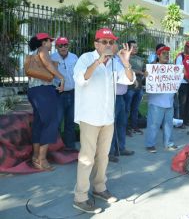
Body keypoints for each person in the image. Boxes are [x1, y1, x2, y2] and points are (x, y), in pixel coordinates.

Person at [72, 28, 135, 214]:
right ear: (96, 44)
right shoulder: (84, 58)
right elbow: (80, 78)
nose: (109, 45)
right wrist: (98, 62)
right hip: (89, 117)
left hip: (107, 118)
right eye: (104, 42)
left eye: (111, 42)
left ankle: (99, 188)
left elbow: (129, 80)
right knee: (86, 158)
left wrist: (126, 63)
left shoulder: (116, 62)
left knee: (103, 156)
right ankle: (80, 197)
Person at [27, 33, 65, 171]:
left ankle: (36, 157)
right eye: (50, 41)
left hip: (34, 91)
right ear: (44, 42)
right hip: (43, 91)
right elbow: (48, 64)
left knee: (39, 123)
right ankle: (42, 159)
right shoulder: (43, 50)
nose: (51, 44)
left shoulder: (37, 51)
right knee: (51, 123)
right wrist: (61, 78)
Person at [145, 46, 178, 153]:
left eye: (168, 53)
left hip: (169, 102)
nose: (166, 55)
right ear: (158, 55)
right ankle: (150, 144)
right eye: (164, 53)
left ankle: (169, 143)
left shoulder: (172, 68)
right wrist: (146, 76)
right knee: (154, 124)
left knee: (168, 125)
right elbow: (145, 83)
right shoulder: (152, 68)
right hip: (156, 102)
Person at [109, 43, 135, 163]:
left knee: (121, 123)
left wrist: (125, 58)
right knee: (111, 126)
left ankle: (121, 148)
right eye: (115, 45)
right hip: (111, 97)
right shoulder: (109, 61)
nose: (118, 48)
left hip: (121, 97)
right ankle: (110, 152)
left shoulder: (119, 60)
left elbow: (128, 74)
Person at [51, 37, 78, 150]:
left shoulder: (74, 57)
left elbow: (78, 73)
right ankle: (56, 148)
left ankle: (70, 146)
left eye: (65, 45)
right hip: (58, 94)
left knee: (70, 121)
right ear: (56, 47)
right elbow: (49, 75)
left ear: (68, 46)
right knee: (57, 121)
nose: (63, 47)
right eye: (60, 45)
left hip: (73, 92)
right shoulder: (52, 58)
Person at [124, 40, 145, 135]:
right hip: (129, 88)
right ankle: (126, 128)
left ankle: (134, 126)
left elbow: (144, 70)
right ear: (128, 48)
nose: (136, 48)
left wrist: (146, 72)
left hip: (139, 88)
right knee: (127, 109)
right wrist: (139, 72)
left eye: (136, 47)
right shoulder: (125, 58)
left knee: (135, 109)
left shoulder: (140, 59)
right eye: (133, 47)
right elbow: (125, 68)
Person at [176, 41, 189, 127]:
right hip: (183, 83)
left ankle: (186, 121)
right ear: (185, 47)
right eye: (188, 47)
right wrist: (186, 79)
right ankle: (180, 122)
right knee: (182, 103)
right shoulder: (180, 56)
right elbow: (178, 69)